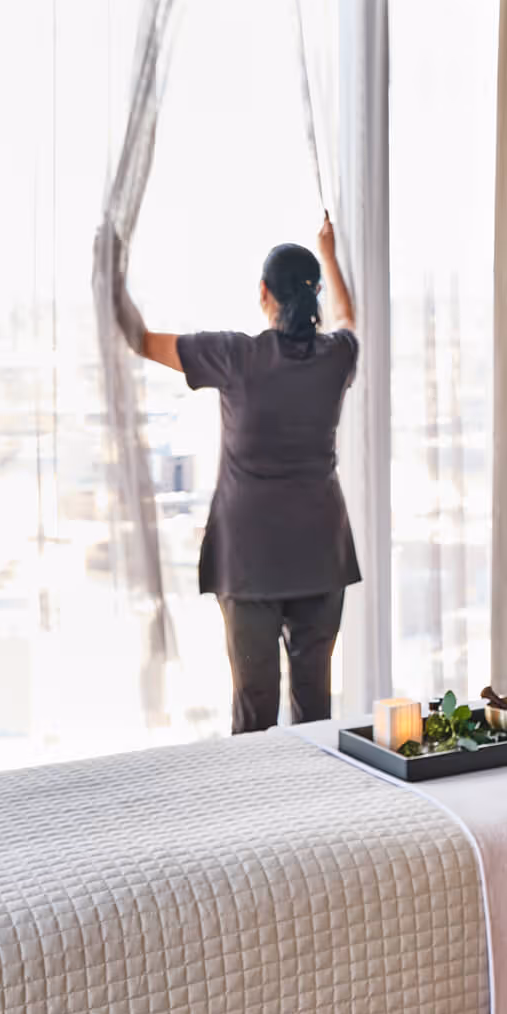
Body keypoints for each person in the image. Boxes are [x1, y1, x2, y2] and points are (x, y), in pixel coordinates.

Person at [118, 216, 361, 734]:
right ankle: (316, 810)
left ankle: (254, 810)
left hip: (250, 557)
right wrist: (330, 255)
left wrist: (110, 278)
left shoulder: (235, 356)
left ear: (263, 293)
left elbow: (140, 339)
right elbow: (348, 318)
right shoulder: (337, 357)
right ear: (312, 294)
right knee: (316, 708)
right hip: (321, 550)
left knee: (253, 712)